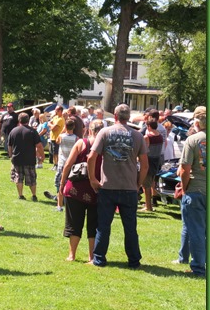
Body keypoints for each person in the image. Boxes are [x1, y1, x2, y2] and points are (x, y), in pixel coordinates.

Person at [87, 103, 148, 268]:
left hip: (108, 187)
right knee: (130, 227)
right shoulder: (137, 136)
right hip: (129, 188)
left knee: (103, 226)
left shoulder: (105, 132)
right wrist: (138, 184)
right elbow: (145, 165)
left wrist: (93, 179)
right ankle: (134, 261)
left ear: (115, 116)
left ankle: (99, 259)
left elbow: (91, 157)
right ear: (128, 117)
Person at [60, 119, 104, 262]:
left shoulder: (81, 143)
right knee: (94, 225)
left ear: (90, 130)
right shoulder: (105, 147)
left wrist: (62, 183)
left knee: (74, 222)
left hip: (75, 189)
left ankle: (72, 255)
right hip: (96, 189)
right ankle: (92, 256)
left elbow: (68, 164)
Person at [178, 106, 206, 277]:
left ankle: (198, 267)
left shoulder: (193, 140)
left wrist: (184, 188)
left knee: (196, 231)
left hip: (196, 189)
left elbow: (184, 169)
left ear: (196, 123)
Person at [7, 112, 44, 201]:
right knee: (32, 178)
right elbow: (39, 145)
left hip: (17, 158)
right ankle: (34, 195)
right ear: (28, 120)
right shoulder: (32, 131)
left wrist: (10, 155)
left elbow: (9, 146)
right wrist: (42, 156)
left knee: (18, 178)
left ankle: (20, 195)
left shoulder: (13, 131)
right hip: (29, 159)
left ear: (19, 120)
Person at [141, 117, 164, 212]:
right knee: (151, 183)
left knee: (146, 185)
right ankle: (148, 204)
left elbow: (143, 151)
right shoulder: (160, 136)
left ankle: (148, 206)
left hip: (148, 162)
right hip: (157, 161)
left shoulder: (147, 137)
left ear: (149, 126)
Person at [48, 105, 65, 170]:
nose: (55, 111)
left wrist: (51, 125)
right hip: (52, 137)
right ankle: (55, 164)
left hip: (57, 138)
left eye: (56, 110)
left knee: (56, 152)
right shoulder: (55, 117)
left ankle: (57, 165)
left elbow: (54, 128)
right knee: (53, 152)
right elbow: (49, 123)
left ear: (60, 111)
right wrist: (51, 125)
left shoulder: (60, 119)